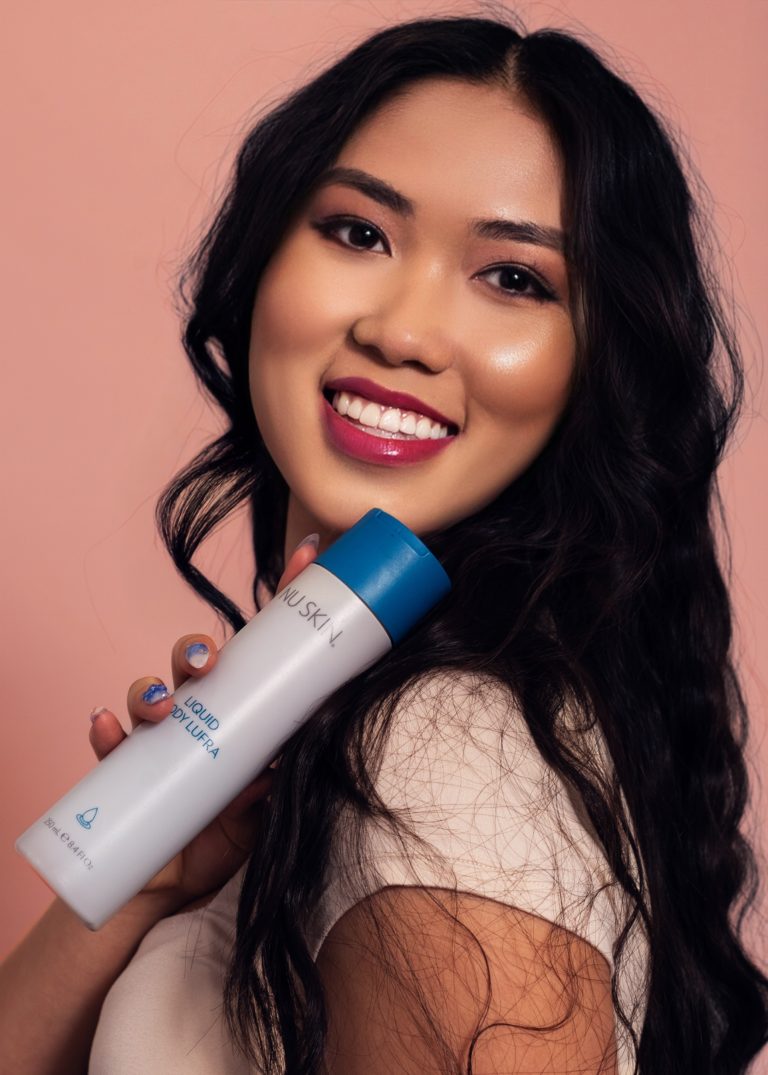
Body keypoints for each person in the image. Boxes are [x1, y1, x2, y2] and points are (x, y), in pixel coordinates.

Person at [1, 13, 766, 1074]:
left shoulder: (443, 752)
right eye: (360, 233)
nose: (401, 332)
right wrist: (151, 875)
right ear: (265, 254)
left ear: (599, 366)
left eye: (515, 278)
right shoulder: (358, 733)